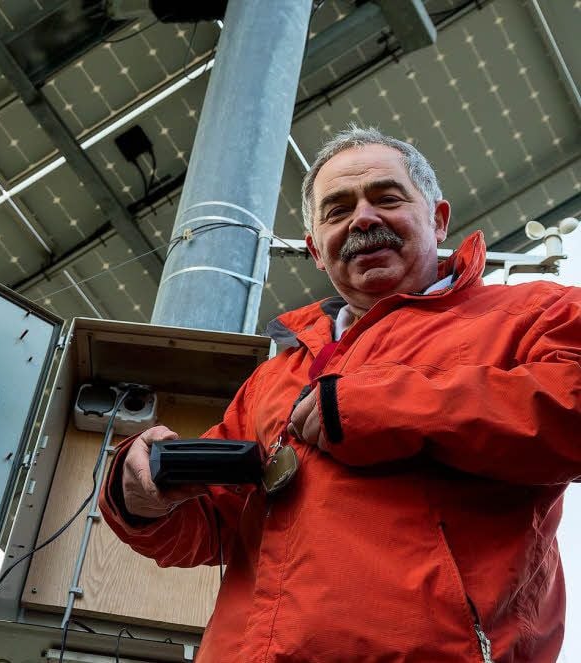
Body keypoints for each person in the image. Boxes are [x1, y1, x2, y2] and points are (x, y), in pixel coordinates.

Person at [99, 127, 581, 662]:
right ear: (315, 252)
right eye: (337, 209)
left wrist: (387, 406)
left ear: (438, 218)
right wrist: (138, 499)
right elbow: (213, 524)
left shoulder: (538, 313)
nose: (364, 219)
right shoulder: (275, 375)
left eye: (387, 198)